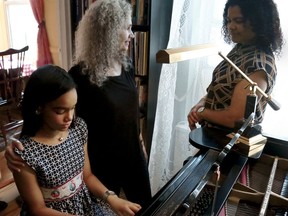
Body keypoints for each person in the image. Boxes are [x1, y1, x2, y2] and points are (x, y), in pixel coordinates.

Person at [6, 0, 152, 208]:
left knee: (146, 207)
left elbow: (130, 112)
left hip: (133, 158)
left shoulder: (126, 65)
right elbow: (51, 112)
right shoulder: (80, 76)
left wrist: (140, 141)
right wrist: (15, 145)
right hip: (101, 166)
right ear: (108, 30)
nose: (132, 34)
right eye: (127, 28)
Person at [10, 64, 141, 216]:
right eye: (60, 110)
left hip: (84, 206)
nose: (69, 117)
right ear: (39, 107)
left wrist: (112, 199)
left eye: (72, 108)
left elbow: (87, 176)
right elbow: (38, 209)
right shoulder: (24, 154)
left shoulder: (78, 128)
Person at [187, 0, 283, 131]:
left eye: (238, 21)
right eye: (229, 20)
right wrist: (201, 103)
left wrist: (202, 112)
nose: (231, 26)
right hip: (213, 138)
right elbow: (221, 88)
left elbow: (236, 119)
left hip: (231, 145)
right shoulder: (242, 47)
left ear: (259, 22)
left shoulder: (259, 64)